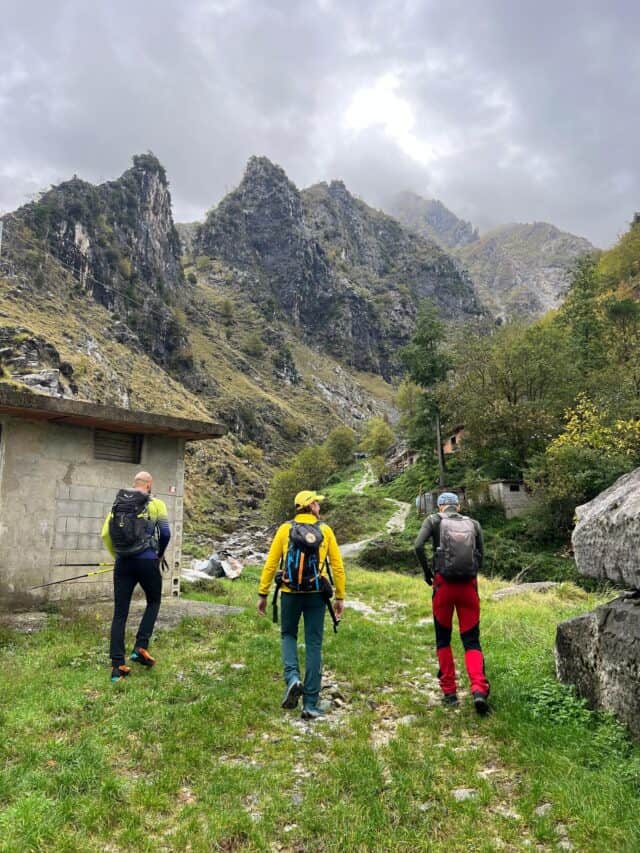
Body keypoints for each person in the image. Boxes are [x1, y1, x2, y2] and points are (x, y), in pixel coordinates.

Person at [257, 490, 345, 720]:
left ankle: (293, 679)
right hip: (317, 594)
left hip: (289, 592)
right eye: (316, 502)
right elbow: (337, 566)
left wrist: (263, 593)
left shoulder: (285, 530)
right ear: (311, 506)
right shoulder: (325, 530)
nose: (319, 505)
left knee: (288, 635)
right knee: (314, 644)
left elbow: (271, 563)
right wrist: (340, 597)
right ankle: (311, 705)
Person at [414, 491, 490, 714]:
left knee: (443, 639)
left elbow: (418, 546)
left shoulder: (433, 521)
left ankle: (449, 693)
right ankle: (478, 690)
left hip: (442, 586)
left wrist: (428, 572)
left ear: (440, 507)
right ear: (458, 506)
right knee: (471, 640)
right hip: (468, 587)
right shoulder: (473, 524)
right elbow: (481, 555)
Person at [102, 471, 171, 682]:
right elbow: (166, 533)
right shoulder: (157, 504)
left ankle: (117, 668)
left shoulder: (119, 504)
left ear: (135, 485)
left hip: (123, 563)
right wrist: (158, 555)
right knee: (154, 601)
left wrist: (118, 556)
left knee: (120, 613)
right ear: (149, 485)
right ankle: (140, 646)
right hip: (147, 561)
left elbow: (105, 534)